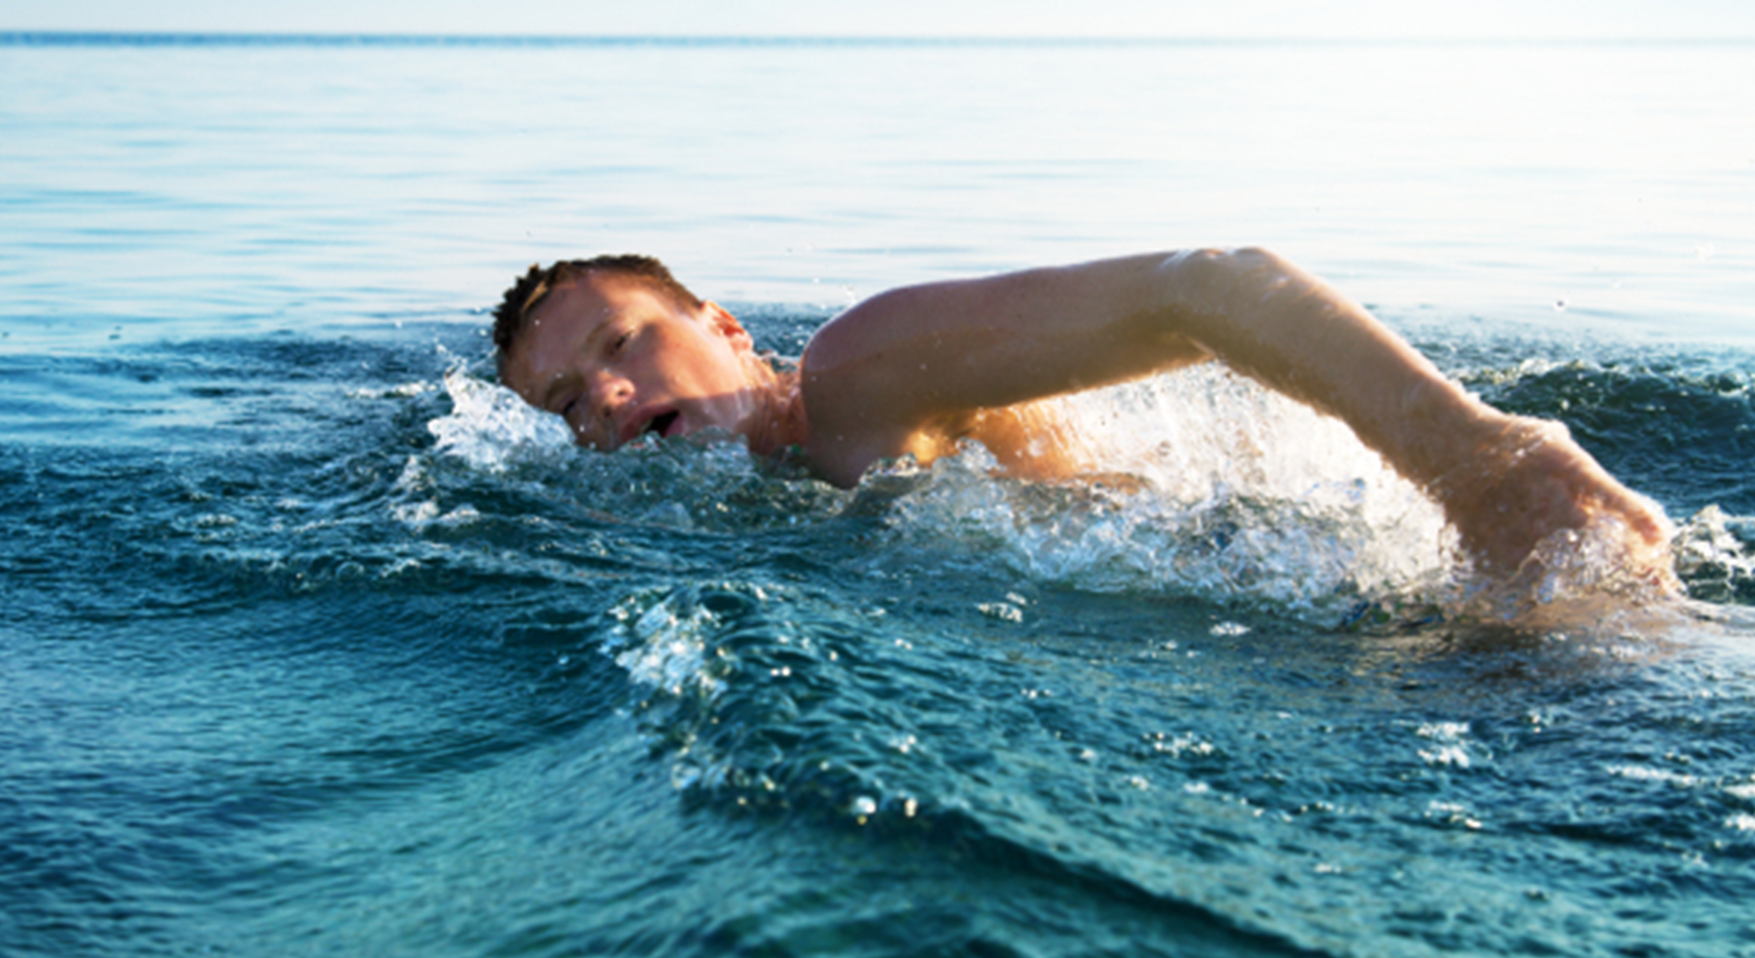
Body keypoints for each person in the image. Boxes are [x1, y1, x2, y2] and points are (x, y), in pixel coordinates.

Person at [491, 249, 1673, 586]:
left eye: (621, 341)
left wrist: (1473, 461)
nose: (601, 393)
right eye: (562, 400)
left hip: (1280, 555)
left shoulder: (860, 374)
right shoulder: (679, 525)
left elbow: (1207, 287)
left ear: (730, 329)